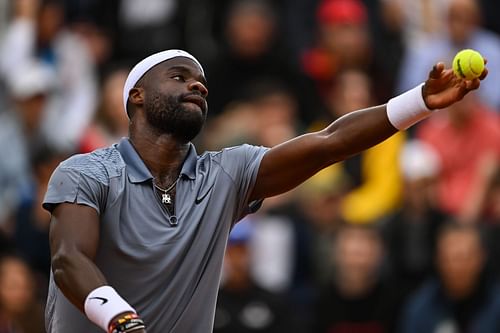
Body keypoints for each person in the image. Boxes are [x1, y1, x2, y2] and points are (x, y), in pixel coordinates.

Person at [43, 49, 486, 332]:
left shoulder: (225, 174)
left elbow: (329, 143)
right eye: (179, 77)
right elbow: (69, 260)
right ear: (137, 96)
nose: (197, 84)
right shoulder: (87, 171)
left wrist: (420, 102)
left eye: (201, 82)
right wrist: (120, 321)